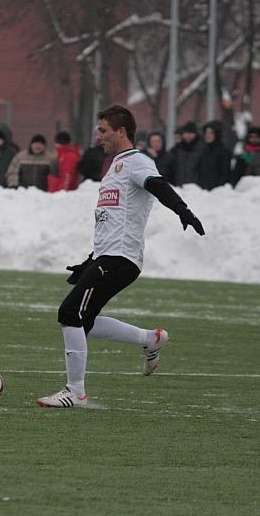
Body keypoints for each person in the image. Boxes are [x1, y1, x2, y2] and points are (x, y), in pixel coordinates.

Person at [36, 105, 205, 408]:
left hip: (120, 259)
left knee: (69, 313)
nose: (97, 136)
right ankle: (150, 340)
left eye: (103, 130)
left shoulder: (136, 161)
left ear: (121, 132)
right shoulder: (114, 167)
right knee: (82, 321)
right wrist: (91, 260)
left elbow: (158, 185)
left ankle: (75, 392)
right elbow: (113, 220)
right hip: (108, 256)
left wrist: (183, 210)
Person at [162, 121, 204, 187]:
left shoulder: (202, 149)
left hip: (196, 189)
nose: (188, 136)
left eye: (191, 133)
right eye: (186, 133)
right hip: (180, 187)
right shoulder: (177, 150)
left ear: (195, 134)